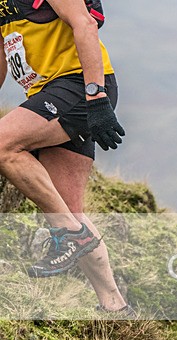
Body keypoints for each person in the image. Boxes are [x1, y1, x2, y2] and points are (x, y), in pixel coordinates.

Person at [0, 0, 129, 313]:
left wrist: (96, 97)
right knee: (71, 211)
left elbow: (85, 23)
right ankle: (115, 308)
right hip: (48, 93)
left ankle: (69, 234)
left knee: (2, 145)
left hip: (79, 86)